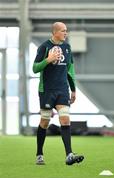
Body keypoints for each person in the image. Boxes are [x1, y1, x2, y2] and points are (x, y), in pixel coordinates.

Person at [32, 22, 84, 165]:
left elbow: (70, 70)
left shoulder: (67, 48)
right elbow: (35, 68)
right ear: (55, 32)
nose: (66, 33)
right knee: (45, 121)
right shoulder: (44, 47)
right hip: (47, 90)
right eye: (63, 31)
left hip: (62, 90)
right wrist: (47, 60)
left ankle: (69, 155)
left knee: (65, 120)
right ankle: (39, 154)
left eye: (66, 31)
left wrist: (73, 89)